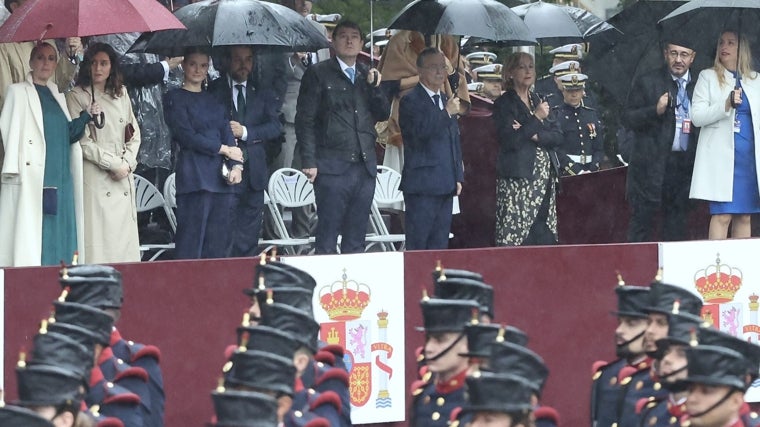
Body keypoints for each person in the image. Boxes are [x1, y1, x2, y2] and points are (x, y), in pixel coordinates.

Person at [0, 41, 99, 267]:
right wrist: (14, 170)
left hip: (61, 174)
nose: (46, 63)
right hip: (36, 174)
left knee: (59, 224)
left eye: (51, 58)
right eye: (41, 58)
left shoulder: (58, 94)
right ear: (31, 62)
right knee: (39, 228)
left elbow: (67, 134)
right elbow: (8, 128)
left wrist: (86, 116)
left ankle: (61, 275)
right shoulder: (17, 91)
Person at [295, 20, 390, 254]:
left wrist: (375, 88)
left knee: (357, 236)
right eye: (344, 36)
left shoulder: (366, 74)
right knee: (327, 234)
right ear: (333, 42)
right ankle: (325, 288)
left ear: (362, 43)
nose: (349, 41)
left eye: (355, 36)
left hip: (364, 166)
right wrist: (309, 160)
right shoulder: (318, 73)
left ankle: (352, 289)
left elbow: (383, 113)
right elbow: (305, 119)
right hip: (331, 166)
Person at [163, 47, 244, 259]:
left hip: (221, 179)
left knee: (218, 245)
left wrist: (237, 166)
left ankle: (213, 291)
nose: (198, 70)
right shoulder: (174, 98)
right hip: (194, 177)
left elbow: (226, 132)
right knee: (191, 243)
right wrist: (223, 149)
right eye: (192, 64)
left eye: (203, 65)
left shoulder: (215, 100)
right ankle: (186, 290)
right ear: (183, 65)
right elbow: (186, 136)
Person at [65, 43, 141, 263]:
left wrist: (127, 163)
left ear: (112, 67)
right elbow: (82, 142)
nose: (98, 68)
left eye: (104, 63)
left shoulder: (121, 93)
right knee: (100, 244)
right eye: (93, 63)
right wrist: (112, 164)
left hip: (123, 175)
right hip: (97, 177)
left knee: (124, 248)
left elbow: (133, 133)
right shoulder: (76, 96)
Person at [209, 45, 282, 256]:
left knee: (249, 236)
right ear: (227, 61)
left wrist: (246, 132)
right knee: (224, 234)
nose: (243, 65)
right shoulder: (214, 90)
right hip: (223, 172)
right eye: (238, 59)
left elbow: (274, 127)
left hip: (255, 173)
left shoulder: (262, 92)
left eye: (248, 59)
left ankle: (246, 279)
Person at [624, 40, 698, 242]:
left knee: (676, 227)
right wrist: (654, 110)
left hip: (683, 168)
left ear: (693, 57)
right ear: (666, 54)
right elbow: (628, 119)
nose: (678, 60)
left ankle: (673, 272)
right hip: (652, 166)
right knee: (643, 224)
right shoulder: (648, 81)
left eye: (684, 54)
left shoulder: (700, 85)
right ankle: (635, 272)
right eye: (674, 53)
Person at [690, 31, 760, 240]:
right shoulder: (707, 76)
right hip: (721, 160)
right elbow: (697, 117)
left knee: (745, 216)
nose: (724, 47)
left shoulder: (755, 80)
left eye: (731, 42)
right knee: (722, 215)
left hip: (749, 160)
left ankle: (741, 269)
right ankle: (717, 265)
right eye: (721, 42)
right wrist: (726, 104)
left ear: (742, 49)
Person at [492, 52, 562, 246]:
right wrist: (536, 118)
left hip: (544, 178)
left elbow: (557, 136)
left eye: (531, 66)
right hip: (518, 179)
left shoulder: (539, 100)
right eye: (522, 67)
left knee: (543, 234)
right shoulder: (504, 104)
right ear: (511, 72)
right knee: (519, 235)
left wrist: (533, 133)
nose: (528, 71)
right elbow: (510, 141)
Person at [377, 30, 470, 175]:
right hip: (407, 119)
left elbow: (457, 87)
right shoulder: (401, 41)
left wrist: (449, 69)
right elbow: (387, 85)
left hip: (442, 107)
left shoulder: (449, 43)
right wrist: (424, 77)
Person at [398, 47, 463, 250]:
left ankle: (436, 282)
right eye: (433, 67)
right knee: (419, 245)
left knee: (440, 245)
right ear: (420, 70)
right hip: (422, 185)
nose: (439, 72)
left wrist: (458, 175)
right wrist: (445, 114)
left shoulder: (446, 100)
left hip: (446, 183)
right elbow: (418, 134)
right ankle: (418, 283)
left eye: (442, 67)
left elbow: (454, 140)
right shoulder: (410, 100)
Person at [410, 297, 480, 427]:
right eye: (428, 339)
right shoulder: (423, 397)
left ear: (467, 344)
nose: (429, 348)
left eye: (440, 340)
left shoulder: (480, 400)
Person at [590, 279, 650, 427]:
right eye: (620, 322)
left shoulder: (664, 377)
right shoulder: (606, 376)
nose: (619, 330)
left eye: (631, 323)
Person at [552, 73, 604, 176]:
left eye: (578, 90)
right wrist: (576, 171)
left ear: (583, 91)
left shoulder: (591, 114)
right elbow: (556, 149)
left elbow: (599, 148)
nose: (574, 94)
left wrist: (593, 168)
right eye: (570, 91)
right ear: (563, 91)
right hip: (568, 172)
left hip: (591, 170)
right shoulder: (557, 115)